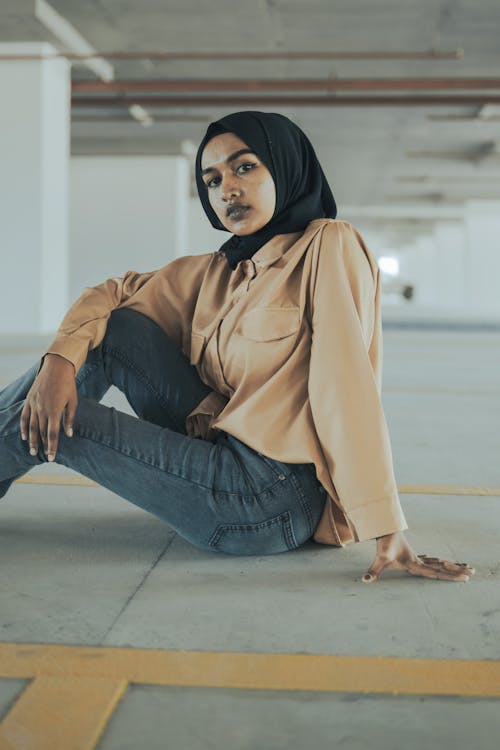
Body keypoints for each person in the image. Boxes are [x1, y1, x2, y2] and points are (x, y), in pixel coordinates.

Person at [0, 110, 474, 584]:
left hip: (266, 499)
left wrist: (384, 524)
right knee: (114, 332)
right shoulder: (216, 271)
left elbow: (346, 389)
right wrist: (58, 362)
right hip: (219, 446)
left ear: (284, 166)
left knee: (58, 418)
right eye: (212, 179)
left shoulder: (328, 245)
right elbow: (111, 293)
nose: (227, 189)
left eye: (245, 167)